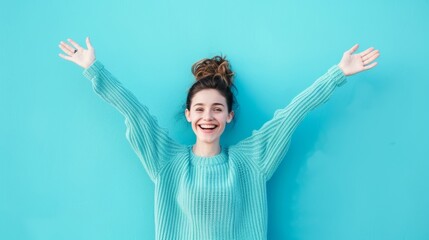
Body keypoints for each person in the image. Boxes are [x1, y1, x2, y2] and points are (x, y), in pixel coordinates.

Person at [58, 37, 380, 240]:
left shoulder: (250, 161)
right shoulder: (168, 161)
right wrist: (94, 69)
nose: (207, 117)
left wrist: (337, 74)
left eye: (216, 109)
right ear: (188, 115)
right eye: (199, 109)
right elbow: (135, 113)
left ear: (229, 116)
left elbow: (292, 114)